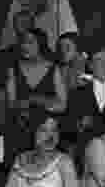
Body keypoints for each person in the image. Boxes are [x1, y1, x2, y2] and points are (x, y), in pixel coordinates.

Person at [5, 27, 67, 170]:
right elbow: (11, 104)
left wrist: (35, 100)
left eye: (30, 42)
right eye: (23, 42)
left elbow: (62, 105)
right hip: (19, 131)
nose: (25, 46)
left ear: (41, 44)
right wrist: (46, 102)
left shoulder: (54, 69)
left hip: (46, 133)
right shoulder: (13, 69)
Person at [66, 49, 105, 171]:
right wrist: (80, 125)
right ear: (90, 65)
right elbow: (68, 128)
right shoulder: (76, 95)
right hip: (87, 157)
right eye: (99, 61)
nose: (104, 65)